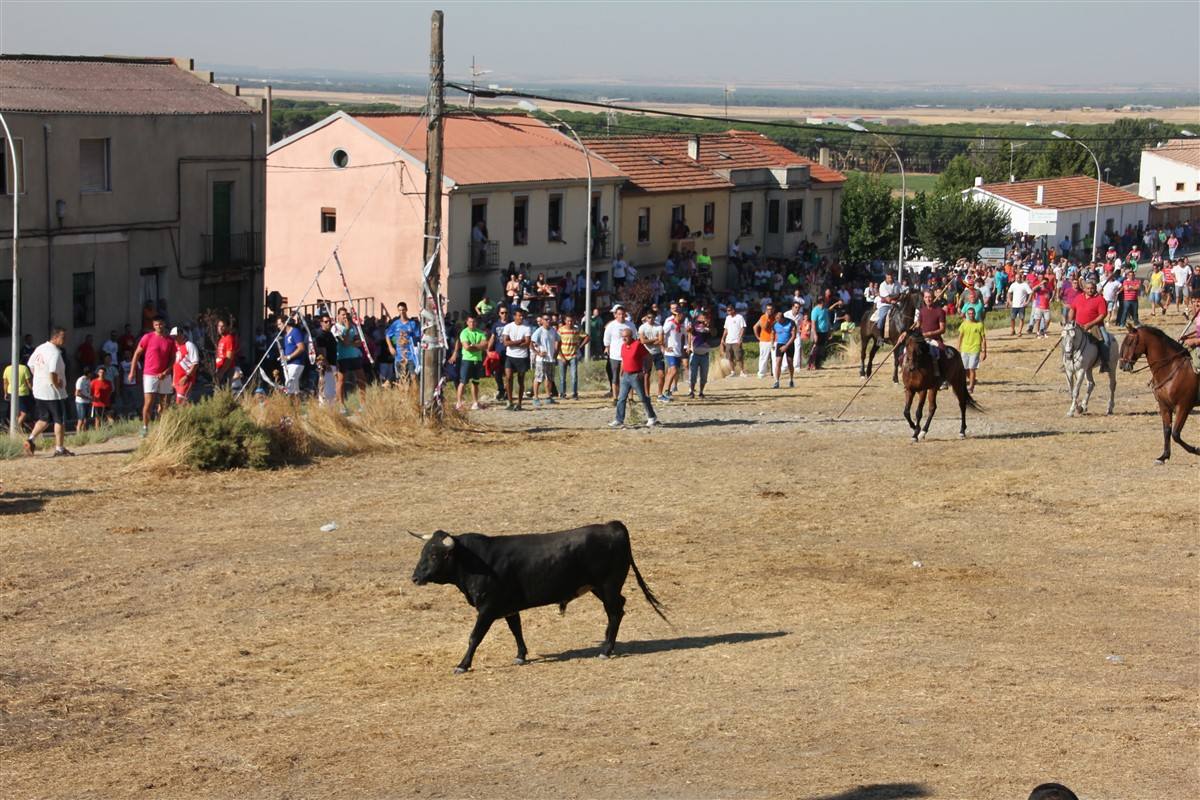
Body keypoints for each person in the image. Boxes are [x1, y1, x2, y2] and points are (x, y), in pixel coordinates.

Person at [24, 327, 72, 456]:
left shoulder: (40, 348)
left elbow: (31, 364)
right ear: (55, 337)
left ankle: (30, 439)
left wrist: (39, 377)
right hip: (53, 392)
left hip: (39, 390)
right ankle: (59, 448)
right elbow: (52, 372)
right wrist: (57, 384)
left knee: (44, 419)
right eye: (63, 337)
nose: (65, 340)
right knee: (59, 420)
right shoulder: (55, 353)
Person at [129, 316, 174, 437]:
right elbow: (137, 354)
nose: (159, 327)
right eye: (156, 325)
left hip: (165, 375)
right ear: (153, 326)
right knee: (149, 402)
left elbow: (173, 359)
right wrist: (132, 371)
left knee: (165, 403)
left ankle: (161, 428)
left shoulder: (170, 340)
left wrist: (166, 371)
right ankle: (145, 427)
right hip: (150, 374)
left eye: (161, 324)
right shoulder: (147, 337)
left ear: (164, 324)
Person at [609, 326, 658, 429]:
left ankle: (651, 416)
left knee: (642, 397)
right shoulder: (623, 346)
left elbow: (648, 357)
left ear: (631, 336)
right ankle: (619, 419)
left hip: (636, 375)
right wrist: (621, 373)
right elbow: (623, 360)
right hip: (625, 375)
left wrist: (645, 370)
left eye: (626, 337)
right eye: (622, 337)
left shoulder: (638, 345)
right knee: (621, 398)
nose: (624, 339)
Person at [1069, 279, 1112, 372]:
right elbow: (1072, 309)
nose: (1090, 290)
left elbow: (1102, 315)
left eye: (1092, 288)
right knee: (1068, 339)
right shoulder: (1078, 297)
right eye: (1088, 288)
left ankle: (1105, 363)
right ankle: (1068, 361)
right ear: (1084, 289)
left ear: (1095, 288)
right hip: (1078, 325)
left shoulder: (1100, 299)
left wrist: (1090, 324)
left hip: (1095, 326)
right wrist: (1070, 322)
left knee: (1106, 341)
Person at [333, 307, 368, 409]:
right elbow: (344, 341)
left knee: (361, 379)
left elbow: (358, 342)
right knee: (341, 381)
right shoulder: (336, 328)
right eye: (343, 315)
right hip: (342, 357)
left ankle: (363, 403)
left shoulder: (353, 326)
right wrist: (347, 330)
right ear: (338, 316)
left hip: (354, 356)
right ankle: (341, 405)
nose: (345, 317)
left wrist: (350, 342)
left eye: (346, 314)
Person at [603, 305, 637, 403]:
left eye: (623, 314)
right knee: (615, 377)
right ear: (615, 315)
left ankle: (630, 398)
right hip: (615, 355)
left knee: (629, 376)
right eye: (619, 314)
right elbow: (607, 339)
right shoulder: (611, 326)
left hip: (628, 355)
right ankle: (615, 398)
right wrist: (607, 348)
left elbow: (635, 338)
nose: (621, 316)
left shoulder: (630, 325)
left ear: (625, 315)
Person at [501, 307, 533, 411]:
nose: (521, 317)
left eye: (522, 315)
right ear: (514, 316)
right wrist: (519, 341)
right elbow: (505, 342)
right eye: (519, 315)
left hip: (522, 357)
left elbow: (527, 343)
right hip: (510, 356)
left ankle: (519, 403)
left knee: (521, 380)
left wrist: (513, 343)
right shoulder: (508, 327)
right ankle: (510, 401)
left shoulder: (527, 328)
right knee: (508, 378)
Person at [455, 313, 488, 411]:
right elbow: (466, 347)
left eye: (474, 322)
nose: (472, 323)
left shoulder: (480, 333)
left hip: (477, 360)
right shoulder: (464, 333)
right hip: (467, 359)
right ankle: (459, 402)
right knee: (463, 382)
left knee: (475, 382)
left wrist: (474, 346)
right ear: (467, 323)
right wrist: (478, 347)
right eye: (470, 322)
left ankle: (475, 402)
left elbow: (485, 345)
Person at [386, 302, 420, 382]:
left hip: (411, 355)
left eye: (403, 310)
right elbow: (388, 335)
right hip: (399, 355)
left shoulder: (412, 324)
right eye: (400, 310)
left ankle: (414, 393)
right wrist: (390, 347)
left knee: (413, 377)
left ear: (406, 310)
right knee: (402, 379)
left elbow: (418, 336)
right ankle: (403, 393)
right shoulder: (395, 324)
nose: (402, 312)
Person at [530, 314, 560, 408]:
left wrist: (556, 352)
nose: (548, 321)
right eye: (546, 319)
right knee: (539, 378)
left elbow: (559, 340)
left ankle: (548, 396)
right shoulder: (539, 331)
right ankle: (535, 397)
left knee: (549, 378)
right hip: (541, 359)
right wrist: (537, 353)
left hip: (551, 358)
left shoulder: (553, 330)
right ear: (542, 321)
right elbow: (531, 343)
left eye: (549, 319)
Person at [918, 289, 947, 379]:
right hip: (923, 339)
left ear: (933, 297)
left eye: (930, 297)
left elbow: (942, 329)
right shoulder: (922, 311)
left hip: (934, 339)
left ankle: (941, 377)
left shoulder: (940, 311)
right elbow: (918, 326)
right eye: (926, 297)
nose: (928, 299)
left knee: (939, 352)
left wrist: (930, 333)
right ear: (923, 299)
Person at [957, 306, 986, 392]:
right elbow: (960, 337)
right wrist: (958, 348)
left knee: (972, 368)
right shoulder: (964, 324)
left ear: (975, 314)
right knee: (965, 368)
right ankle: (972, 380)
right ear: (967, 315)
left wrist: (984, 351)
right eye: (969, 314)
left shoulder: (979, 325)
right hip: (965, 348)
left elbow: (983, 339)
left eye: (972, 313)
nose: (971, 315)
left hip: (975, 348)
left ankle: (971, 386)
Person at [557, 313, 586, 400]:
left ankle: (574, 394)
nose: (570, 322)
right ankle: (562, 394)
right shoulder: (560, 330)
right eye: (568, 321)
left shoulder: (576, 330)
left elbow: (586, 336)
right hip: (562, 356)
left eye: (571, 321)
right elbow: (557, 344)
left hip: (573, 355)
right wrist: (561, 356)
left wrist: (580, 346)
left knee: (574, 376)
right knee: (562, 377)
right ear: (565, 321)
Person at [662, 307, 689, 402]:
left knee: (671, 372)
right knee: (673, 371)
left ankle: (666, 392)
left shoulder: (682, 326)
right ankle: (666, 392)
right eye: (682, 315)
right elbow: (661, 333)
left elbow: (685, 336)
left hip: (678, 352)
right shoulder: (670, 324)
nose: (683, 317)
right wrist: (664, 346)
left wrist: (686, 346)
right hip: (670, 352)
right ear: (678, 315)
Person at [638, 311, 666, 399]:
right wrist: (655, 339)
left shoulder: (659, 327)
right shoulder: (642, 327)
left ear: (655, 317)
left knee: (661, 374)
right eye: (649, 317)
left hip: (658, 353)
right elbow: (642, 341)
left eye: (652, 317)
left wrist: (648, 341)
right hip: (646, 353)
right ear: (646, 318)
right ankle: (647, 395)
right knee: (646, 375)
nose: (650, 319)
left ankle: (660, 394)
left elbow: (661, 341)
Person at [312, 313, 339, 405]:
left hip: (333, 363)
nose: (328, 323)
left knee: (331, 389)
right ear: (321, 323)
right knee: (325, 389)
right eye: (326, 322)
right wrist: (327, 365)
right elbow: (321, 352)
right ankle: (323, 408)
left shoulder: (330, 334)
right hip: (325, 365)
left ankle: (330, 408)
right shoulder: (320, 335)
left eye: (329, 321)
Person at [487, 306, 511, 402]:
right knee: (497, 373)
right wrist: (488, 349)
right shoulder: (496, 325)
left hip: (509, 352)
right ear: (499, 314)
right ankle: (501, 389)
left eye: (505, 312)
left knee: (508, 373)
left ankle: (507, 391)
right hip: (498, 352)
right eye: (502, 313)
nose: (504, 314)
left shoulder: (511, 324)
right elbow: (493, 337)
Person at [171, 326, 201, 404]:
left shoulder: (189, 345)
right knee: (180, 403)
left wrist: (187, 377)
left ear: (181, 334)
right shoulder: (175, 346)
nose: (174, 338)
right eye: (173, 336)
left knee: (180, 402)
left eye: (176, 336)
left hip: (186, 380)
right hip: (176, 380)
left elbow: (195, 364)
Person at [687, 310, 712, 398]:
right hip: (695, 353)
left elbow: (713, 333)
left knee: (704, 375)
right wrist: (689, 346)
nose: (703, 320)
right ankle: (691, 391)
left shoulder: (708, 328)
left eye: (704, 318)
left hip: (705, 354)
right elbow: (690, 332)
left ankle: (701, 392)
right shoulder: (694, 327)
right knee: (692, 374)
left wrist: (708, 325)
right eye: (701, 318)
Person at [280, 317, 307, 400]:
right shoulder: (285, 336)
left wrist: (289, 357)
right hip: (288, 364)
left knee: (289, 385)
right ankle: (296, 408)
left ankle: (289, 406)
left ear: (285, 323)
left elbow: (301, 348)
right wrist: (283, 357)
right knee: (295, 388)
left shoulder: (295, 332)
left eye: (279, 324)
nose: (278, 326)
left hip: (296, 363)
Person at [3, 359, 33, 432]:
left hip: (11, 392)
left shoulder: (7, 368)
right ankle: (14, 428)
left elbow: (5, 383)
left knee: (16, 411)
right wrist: (33, 390)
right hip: (22, 393)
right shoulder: (24, 368)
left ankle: (18, 428)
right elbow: (28, 381)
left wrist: (5, 393)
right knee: (24, 413)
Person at [771, 308, 796, 389]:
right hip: (780, 343)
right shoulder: (775, 324)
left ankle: (791, 379)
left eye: (779, 319)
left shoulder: (791, 323)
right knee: (778, 362)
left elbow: (793, 336)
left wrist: (786, 346)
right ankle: (776, 381)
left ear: (782, 318)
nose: (778, 320)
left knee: (790, 362)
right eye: (776, 319)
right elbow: (773, 333)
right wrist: (772, 343)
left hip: (789, 344)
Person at [722, 303, 747, 377]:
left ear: (733, 310)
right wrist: (722, 338)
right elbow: (726, 329)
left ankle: (742, 371)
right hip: (728, 340)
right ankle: (733, 372)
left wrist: (740, 338)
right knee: (730, 357)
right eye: (727, 311)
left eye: (729, 310)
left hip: (736, 340)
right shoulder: (727, 318)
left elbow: (743, 328)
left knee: (739, 357)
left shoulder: (739, 317)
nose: (728, 312)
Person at [753, 303, 776, 379]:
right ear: (766, 310)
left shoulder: (776, 317)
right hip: (764, 340)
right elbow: (764, 327)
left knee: (775, 358)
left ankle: (776, 373)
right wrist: (758, 337)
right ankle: (761, 374)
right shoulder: (763, 317)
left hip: (775, 340)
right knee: (763, 357)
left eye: (771, 309)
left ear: (773, 309)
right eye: (768, 309)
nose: (769, 311)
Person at [809, 296, 832, 369]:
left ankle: (818, 364)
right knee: (815, 348)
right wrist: (815, 334)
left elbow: (827, 321)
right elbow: (813, 323)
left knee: (821, 349)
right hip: (818, 332)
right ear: (821, 302)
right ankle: (811, 364)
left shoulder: (825, 310)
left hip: (824, 331)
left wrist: (829, 331)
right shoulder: (815, 311)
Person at [214, 319, 238, 387]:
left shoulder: (229, 338)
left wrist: (222, 372)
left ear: (227, 327)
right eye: (219, 326)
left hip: (226, 370)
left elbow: (229, 358)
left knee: (224, 392)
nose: (220, 328)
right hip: (220, 369)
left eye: (223, 326)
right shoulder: (222, 339)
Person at [1007, 272, 1032, 337]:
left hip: (1021, 305)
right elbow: (1009, 293)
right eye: (1016, 278)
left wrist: (1027, 302)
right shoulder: (1013, 285)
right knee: (1012, 318)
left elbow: (1030, 293)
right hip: (1014, 304)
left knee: (1021, 318)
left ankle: (1019, 331)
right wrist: (1009, 301)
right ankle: (1012, 330)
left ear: (1021, 278)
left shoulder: (1025, 285)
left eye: (1018, 278)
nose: (1017, 279)